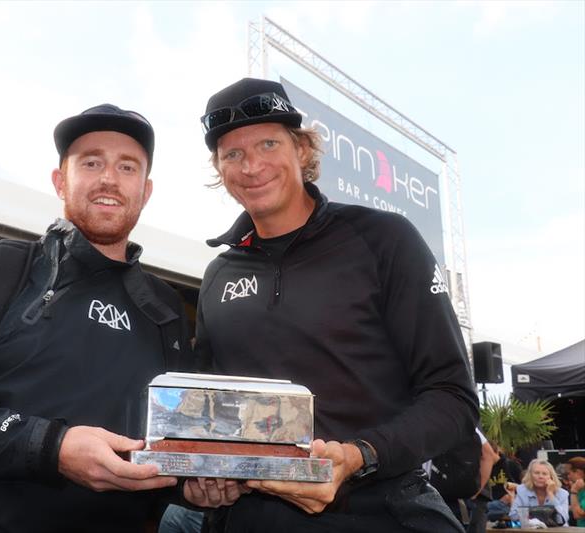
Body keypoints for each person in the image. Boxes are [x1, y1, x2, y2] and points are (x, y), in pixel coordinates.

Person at [0, 104, 194, 532]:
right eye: (91, 162)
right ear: (59, 180)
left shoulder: (167, 310)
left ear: (146, 190)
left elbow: (168, 445)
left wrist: (194, 484)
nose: (109, 178)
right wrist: (53, 448)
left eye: (127, 166)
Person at [191, 78, 479, 532]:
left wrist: (360, 455)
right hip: (251, 518)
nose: (252, 165)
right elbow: (210, 411)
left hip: (378, 509)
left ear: (302, 150)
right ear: (220, 170)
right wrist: (204, 475)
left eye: (269, 143)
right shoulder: (217, 277)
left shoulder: (384, 239)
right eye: (233, 154)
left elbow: (453, 396)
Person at [506, 458, 569, 526]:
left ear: (551, 477)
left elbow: (563, 519)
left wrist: (551, 495)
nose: (540, 476)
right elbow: (513, 516)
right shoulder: (522, 490)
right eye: (536, 473)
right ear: (530, 475)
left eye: (544, 474)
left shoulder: (562, 494)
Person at [485, 444, 523, 521]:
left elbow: (524, 487)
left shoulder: (511, 465)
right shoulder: (483, 467)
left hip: (508, 503)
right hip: (491, 503)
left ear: (496, 452)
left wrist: (512, 497)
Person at [566, 456, 585, 526]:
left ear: (578, 472)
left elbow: (578, 515)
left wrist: (574, 492)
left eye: (569, 473)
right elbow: (577, 506)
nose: (568, 477)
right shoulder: (581, 489)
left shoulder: (577, 490)